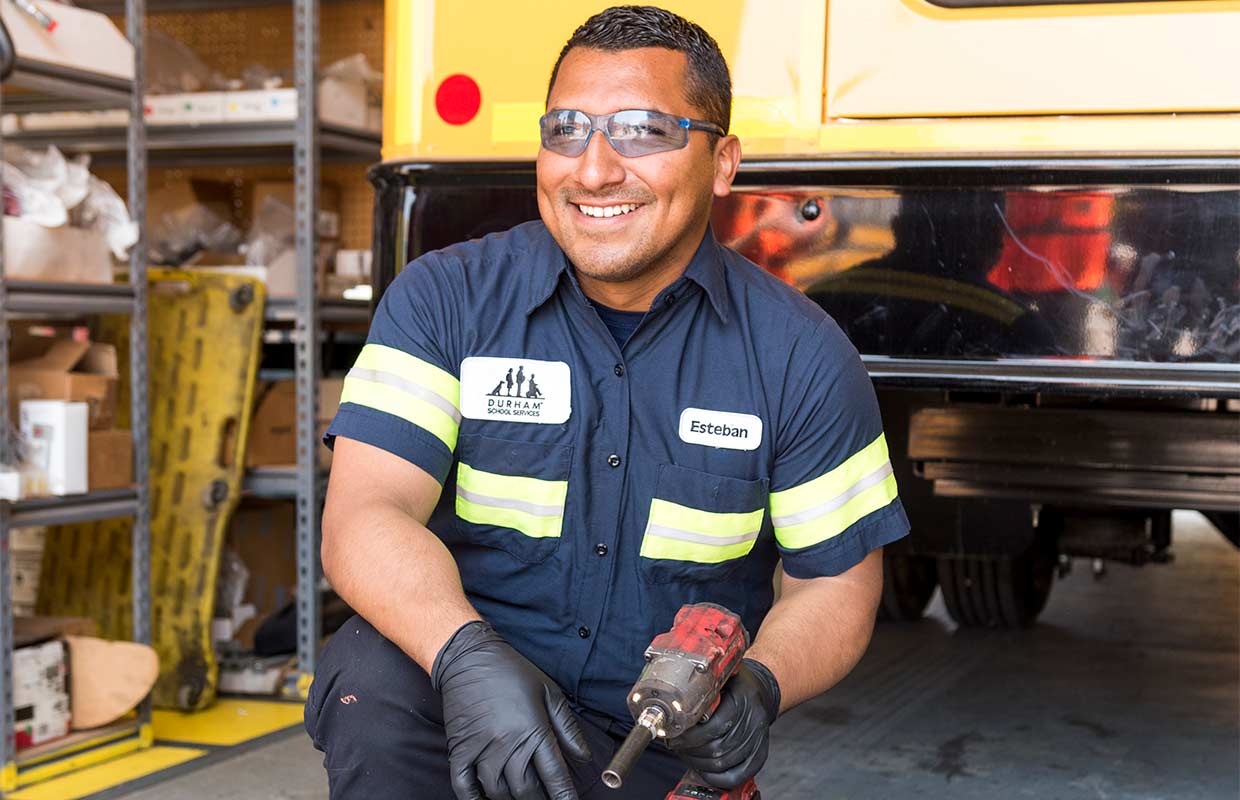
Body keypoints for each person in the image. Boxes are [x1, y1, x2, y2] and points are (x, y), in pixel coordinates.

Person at [305, 6, 909, 800]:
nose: (592, 170)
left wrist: (759, 685)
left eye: (642, 131)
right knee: (368, 675)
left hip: (651, 747)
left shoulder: (800, 354)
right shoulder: (443, 302)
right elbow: (364, 513)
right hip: (463, 716)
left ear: (722, 162)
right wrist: (463, 653)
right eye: (566, 129)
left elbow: (835, 581)